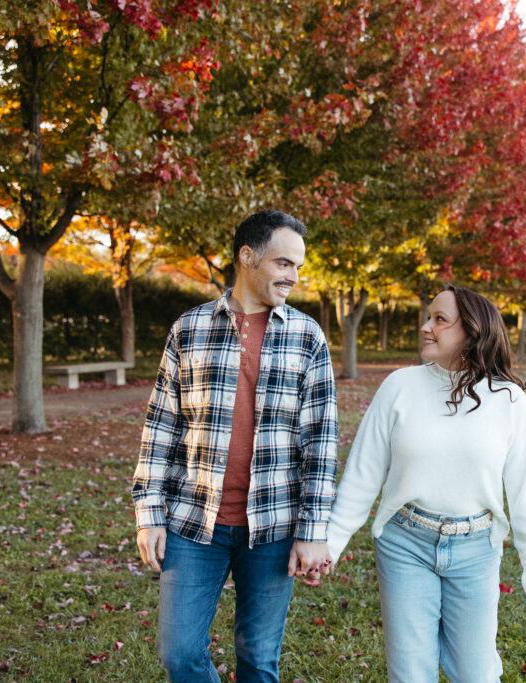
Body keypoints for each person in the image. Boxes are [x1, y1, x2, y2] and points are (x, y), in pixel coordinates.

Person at [132, 210, 338, 683]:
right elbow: (161, 426)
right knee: (179, 654)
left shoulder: (307, 337)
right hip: (193, 521)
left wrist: (313, 529)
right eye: (284, 263)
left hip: (273, 525)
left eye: (298, 267)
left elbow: (321, 442)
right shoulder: (189, 328)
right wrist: (149, 515)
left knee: (259, 659)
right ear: (247, 257)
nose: (293, 276)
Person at [325, 284, 526, 683]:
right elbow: (362, 475)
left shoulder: (509, 400)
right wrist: (329, 544)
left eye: (439, 320)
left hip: (476, 550)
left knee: (475, 674)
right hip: (405, 544)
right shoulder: (399, 386)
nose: (425, 326)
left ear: (472, 331)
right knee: (411, 674)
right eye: (428, 317)